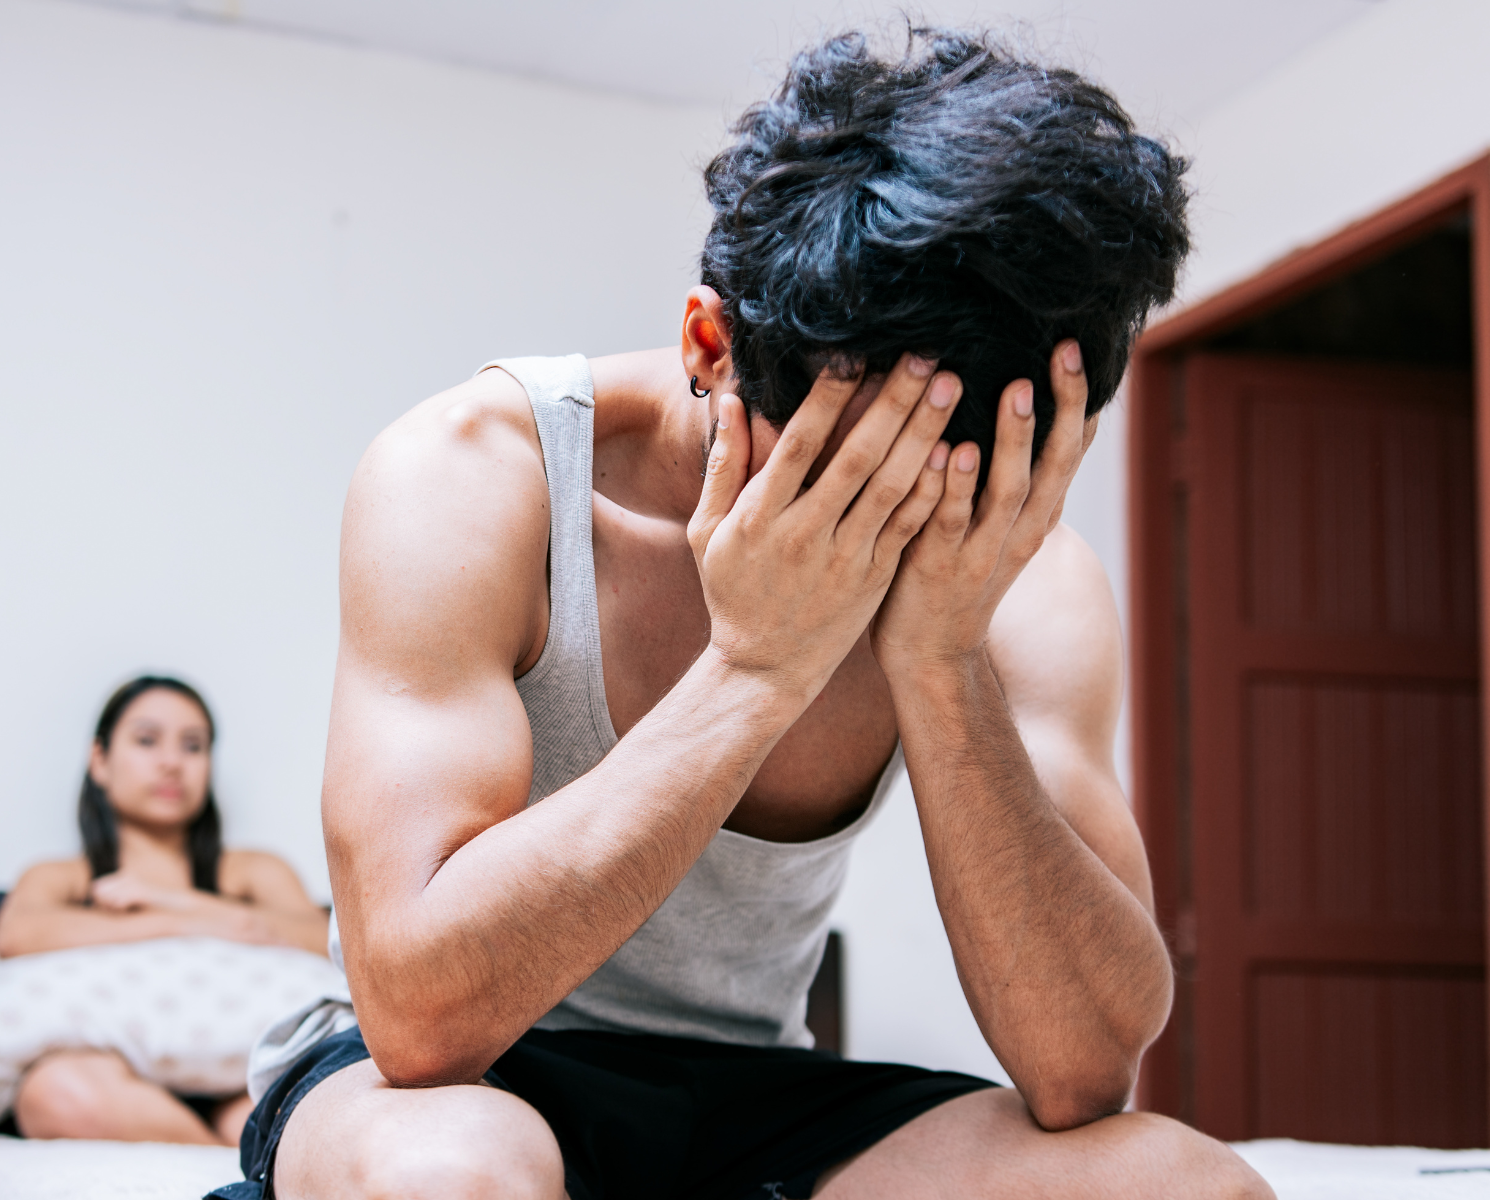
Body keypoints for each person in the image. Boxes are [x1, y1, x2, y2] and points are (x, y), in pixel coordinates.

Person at [217, 28, 1275, 1200]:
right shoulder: (474, 476)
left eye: (954, 485)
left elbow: (1083, 1074)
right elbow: (419, 1015)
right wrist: (754, 669)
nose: (898, 522)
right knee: (455, 1178)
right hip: (442, 1078)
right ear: (710, 347)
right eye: (851, 473)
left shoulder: (1018, 570)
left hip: (749, 1092)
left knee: (1187, 1187)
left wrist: (943, 657)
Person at [0, 675, 329, 1146]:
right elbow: (15, 935)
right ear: (100, 760)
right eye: (147, 741)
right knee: (55, 1092)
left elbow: (324, 942)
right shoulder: (62, 877)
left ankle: (228, 1156)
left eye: (193, 746)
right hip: (114, 1077)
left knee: (283, 1113)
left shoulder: (254, 870)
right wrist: (172, 921)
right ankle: (222, 1161)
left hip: (240, 1075)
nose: (171, 763)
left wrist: (184, 902)